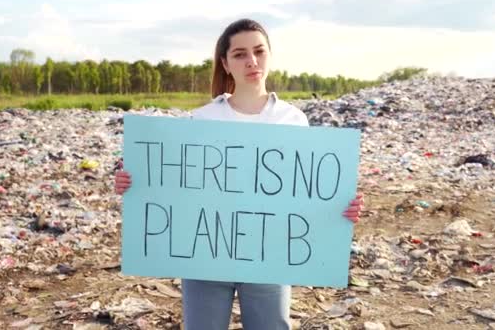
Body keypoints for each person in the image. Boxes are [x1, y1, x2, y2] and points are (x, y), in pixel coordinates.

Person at [115, 18, 364, 330]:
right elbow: (179, 186)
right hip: (205, 259)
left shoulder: (293, 120)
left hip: (270, 257)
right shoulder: (202, 119)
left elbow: (307, 191)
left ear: (270, 56)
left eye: (259, 51)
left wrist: (340, 209)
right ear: (225, 63)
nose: (252, 61)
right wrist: (136, 184)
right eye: (240, 54)